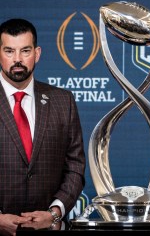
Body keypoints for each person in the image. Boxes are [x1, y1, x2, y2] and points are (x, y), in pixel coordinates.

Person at [0, 18, 86, 235]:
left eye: (25, 51)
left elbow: (75, 165)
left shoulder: (62, 101)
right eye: (9, 51)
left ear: (37, 53)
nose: (17, 59)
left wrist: (55, 212)